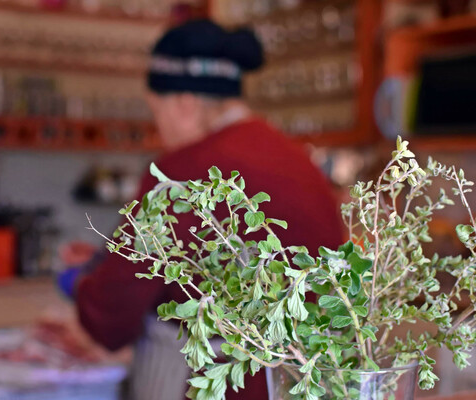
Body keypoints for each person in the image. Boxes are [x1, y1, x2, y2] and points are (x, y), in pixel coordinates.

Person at [59, 19, 344, 399]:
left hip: (215, 384)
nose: (158, 128)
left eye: (156, 111)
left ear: (186, 104)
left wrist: (78, 280)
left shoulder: (184, 170)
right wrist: (103, 262)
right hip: (311, 384)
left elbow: (112, 314)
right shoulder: (300, 162)